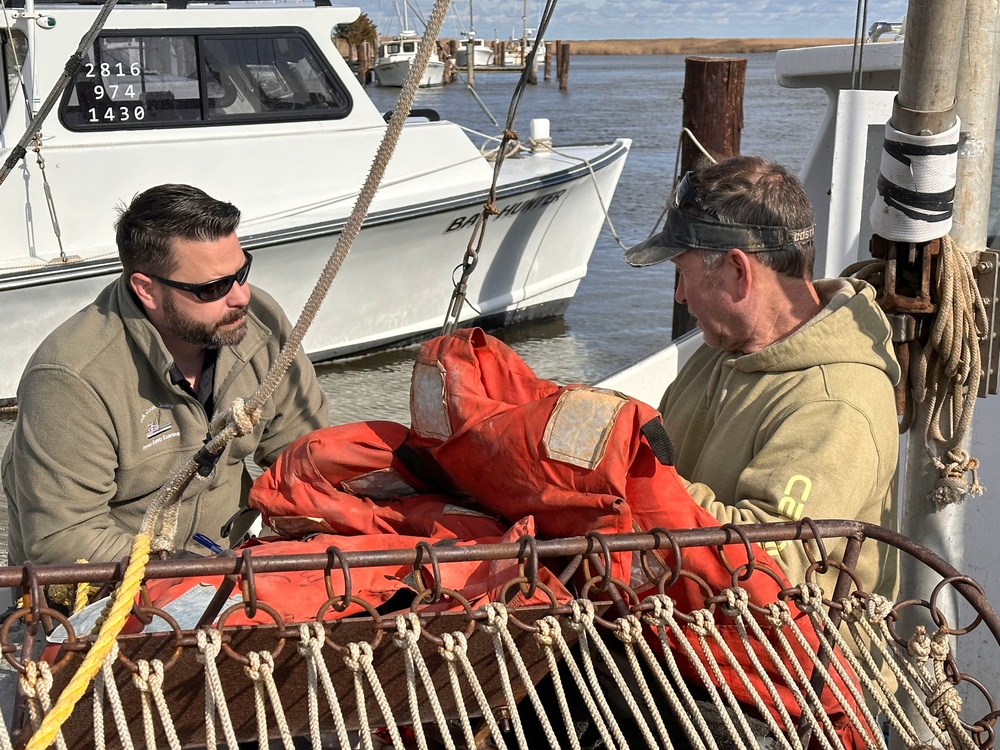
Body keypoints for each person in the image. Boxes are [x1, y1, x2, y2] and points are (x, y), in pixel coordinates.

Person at [2, 184, 329, 565]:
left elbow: (305, 460)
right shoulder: (70, 379)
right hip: (110, 600)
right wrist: (190, 572)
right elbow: (61, 540)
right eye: (213, 288)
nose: (241, 296)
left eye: (241, 272)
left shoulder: (257, 324)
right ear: (147, 290)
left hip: (232, 573)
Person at [625, 155, 900, 599]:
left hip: (798, 661)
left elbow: (771, 565)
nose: (679, 296)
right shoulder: (719, 350)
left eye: (682, 274)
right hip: (690, 622)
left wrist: (628, 473)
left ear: (738, 272)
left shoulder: (835, 402)